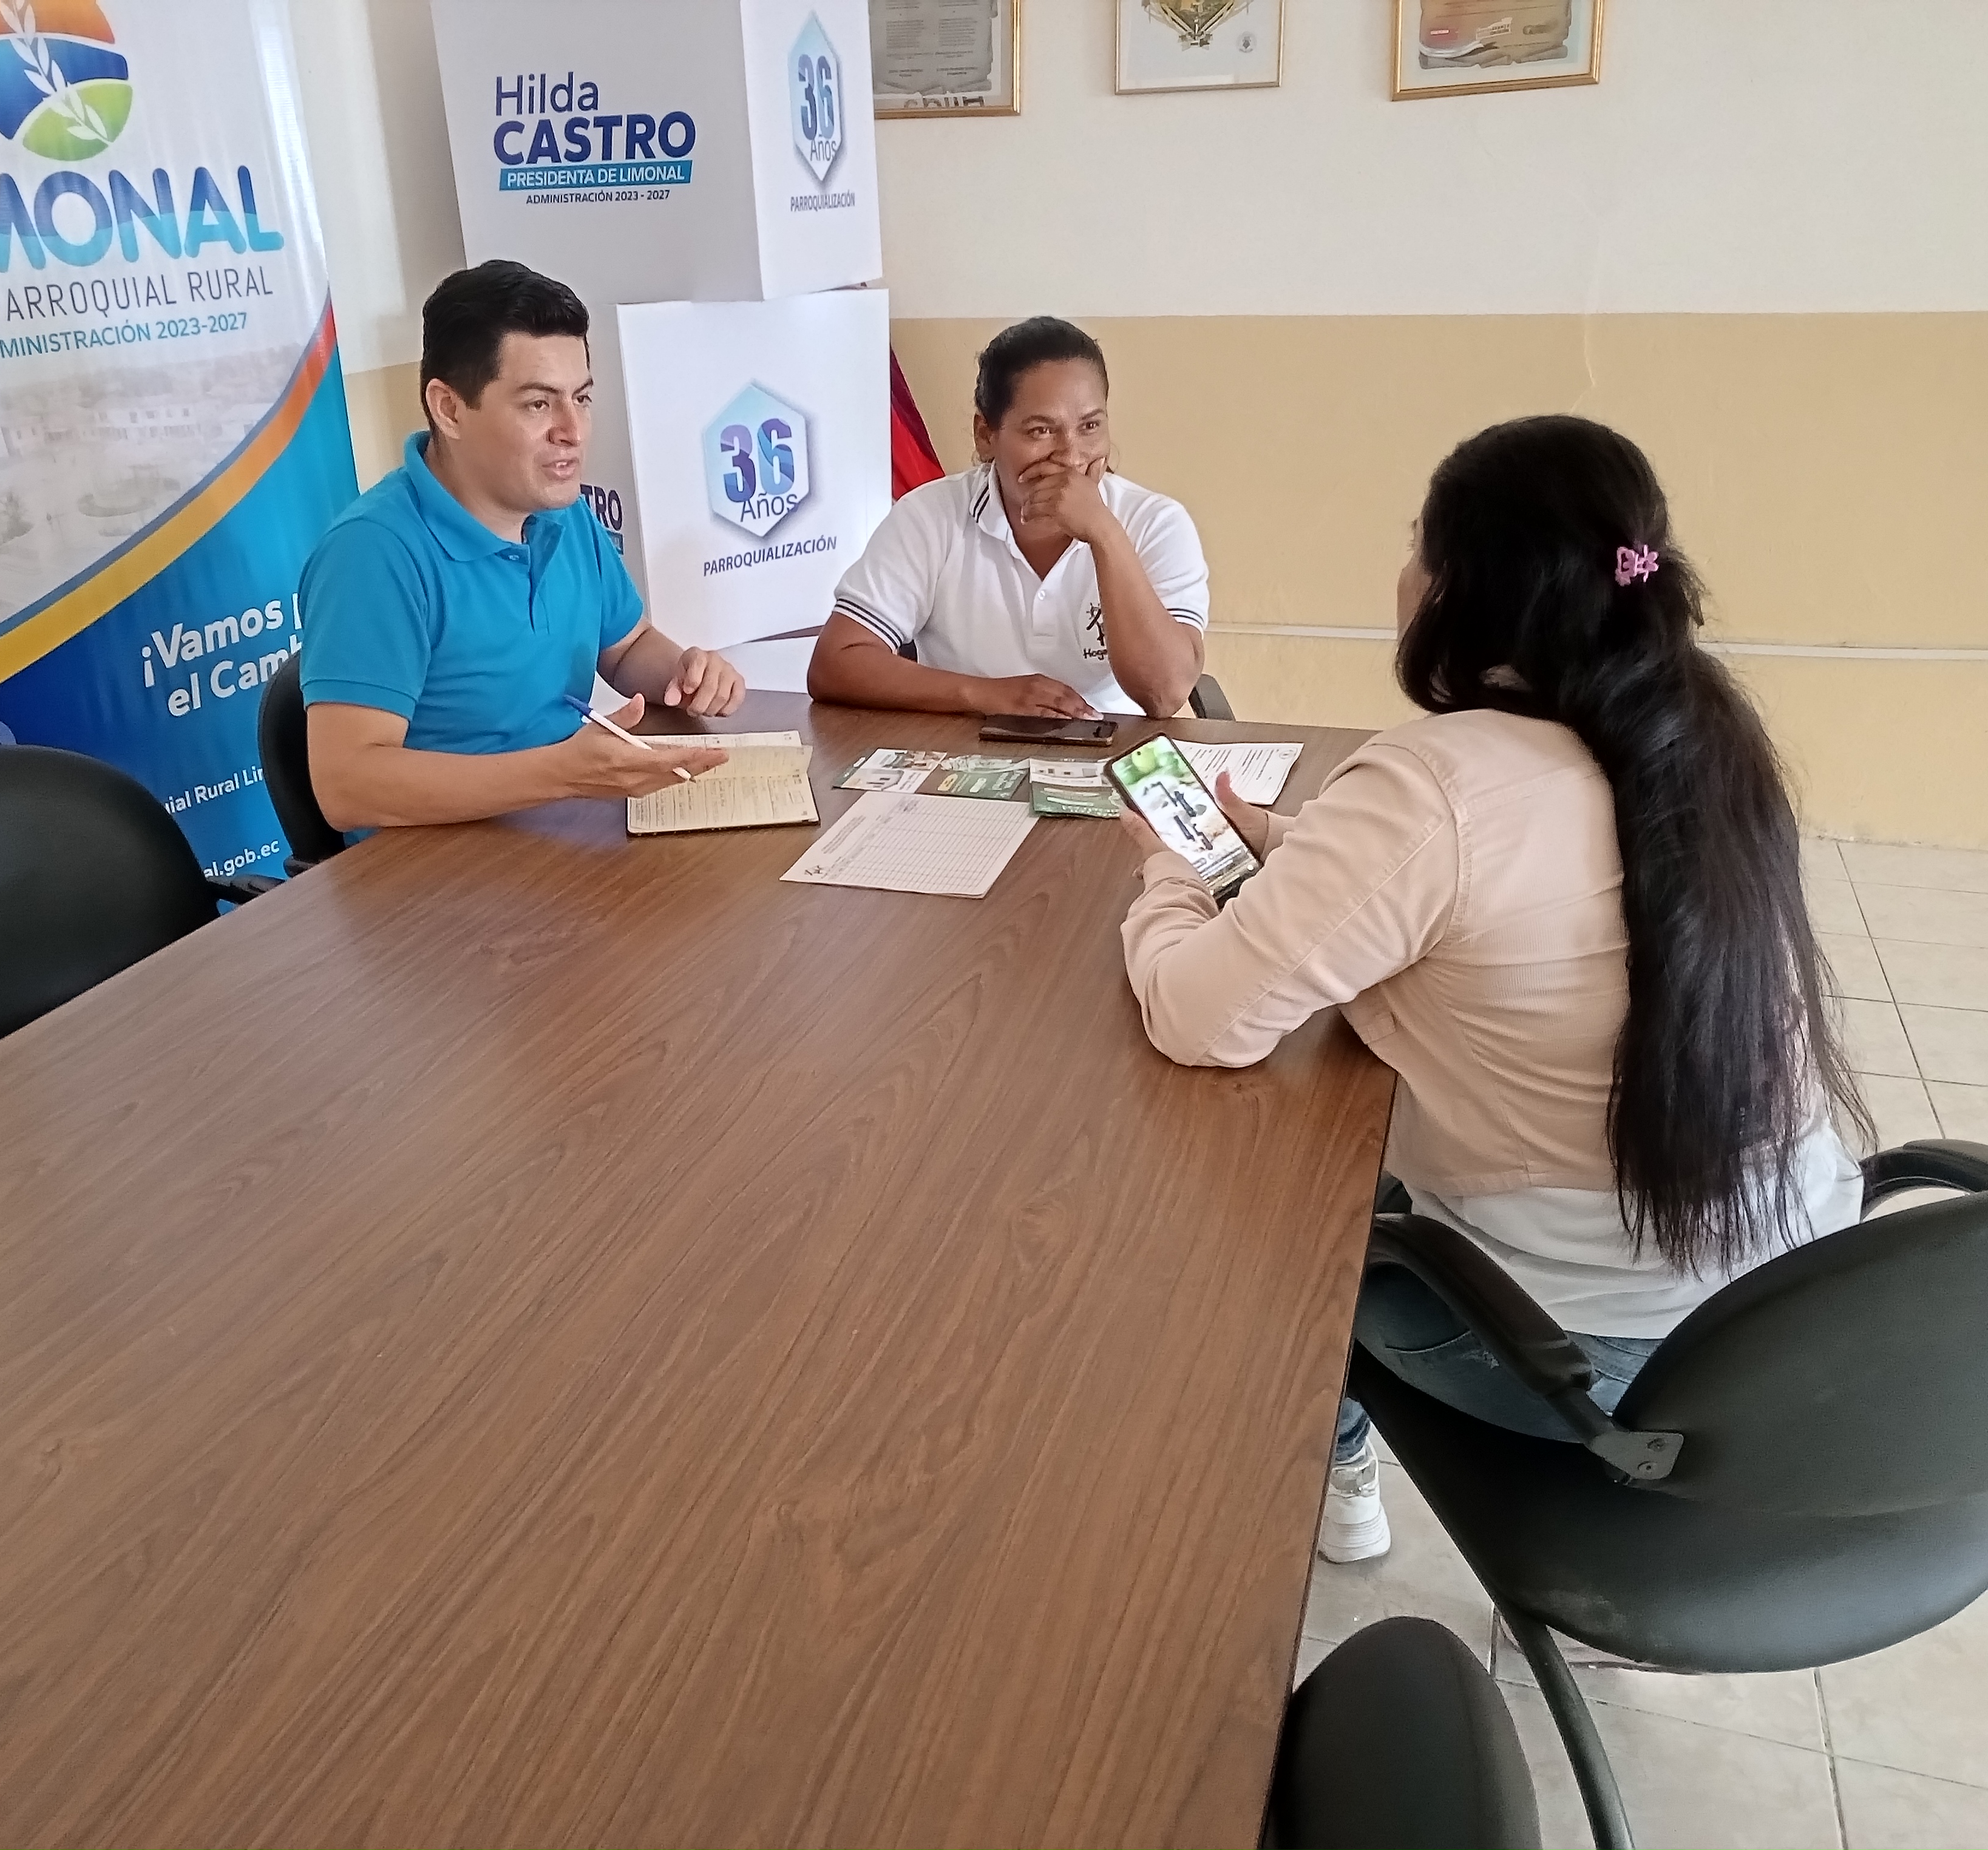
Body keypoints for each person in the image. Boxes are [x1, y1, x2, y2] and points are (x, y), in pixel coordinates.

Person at [1116, 415, 1868, 1563]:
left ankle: (1320, 1474)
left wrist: (1169, 872)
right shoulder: (1701, 731)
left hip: (1590, 1367)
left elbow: (1197, 1018)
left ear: (1457, 585)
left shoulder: (1432, 781)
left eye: (1417, 542)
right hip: (1803, 1316)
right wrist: (1286, 843)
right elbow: (1509, 886)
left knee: (1283, 1199)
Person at [300, 260, 745, 832]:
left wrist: (684, 673)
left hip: (563, 829)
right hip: (436, 866)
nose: (572, 431)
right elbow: (348, 788)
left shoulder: (563, 511)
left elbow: (627, 645)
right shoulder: (372, 554)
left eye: (582, 399)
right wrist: (561, 774)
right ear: (450, 409)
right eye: (539, 404)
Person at [806, 317, 1210, 720]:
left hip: (1115, 746)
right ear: (986, 436)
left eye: (1090, 426)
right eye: (1040, 431)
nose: (1071, 456)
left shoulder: (1158, 524)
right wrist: (985, 695)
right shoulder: (930, 515)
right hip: (962, 746)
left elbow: (1164, 695)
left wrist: (1104, 533)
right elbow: (834, 664)